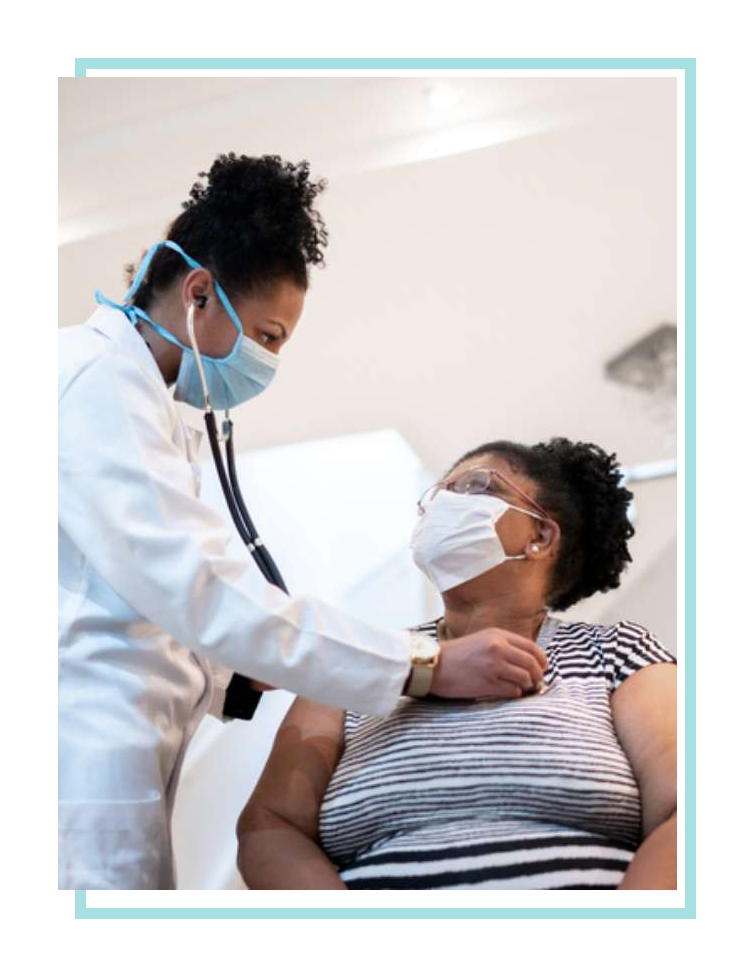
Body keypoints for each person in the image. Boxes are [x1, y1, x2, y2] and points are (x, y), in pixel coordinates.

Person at [58, 154, 546, 891]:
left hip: (116, 761)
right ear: (198, 293)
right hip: (77, 766)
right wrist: (423, 665)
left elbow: (160, 602)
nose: (268, 361)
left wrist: (241, 675)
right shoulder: (93, 383)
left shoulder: (158, 416)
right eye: (270, 334)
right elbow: (197, 589)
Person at [237, 438, 677, 890]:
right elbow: (270, 825)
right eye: (437, 494)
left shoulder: (617, 653)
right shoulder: (354, 657)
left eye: (474, 486)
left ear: (540, 536)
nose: (443, 505)